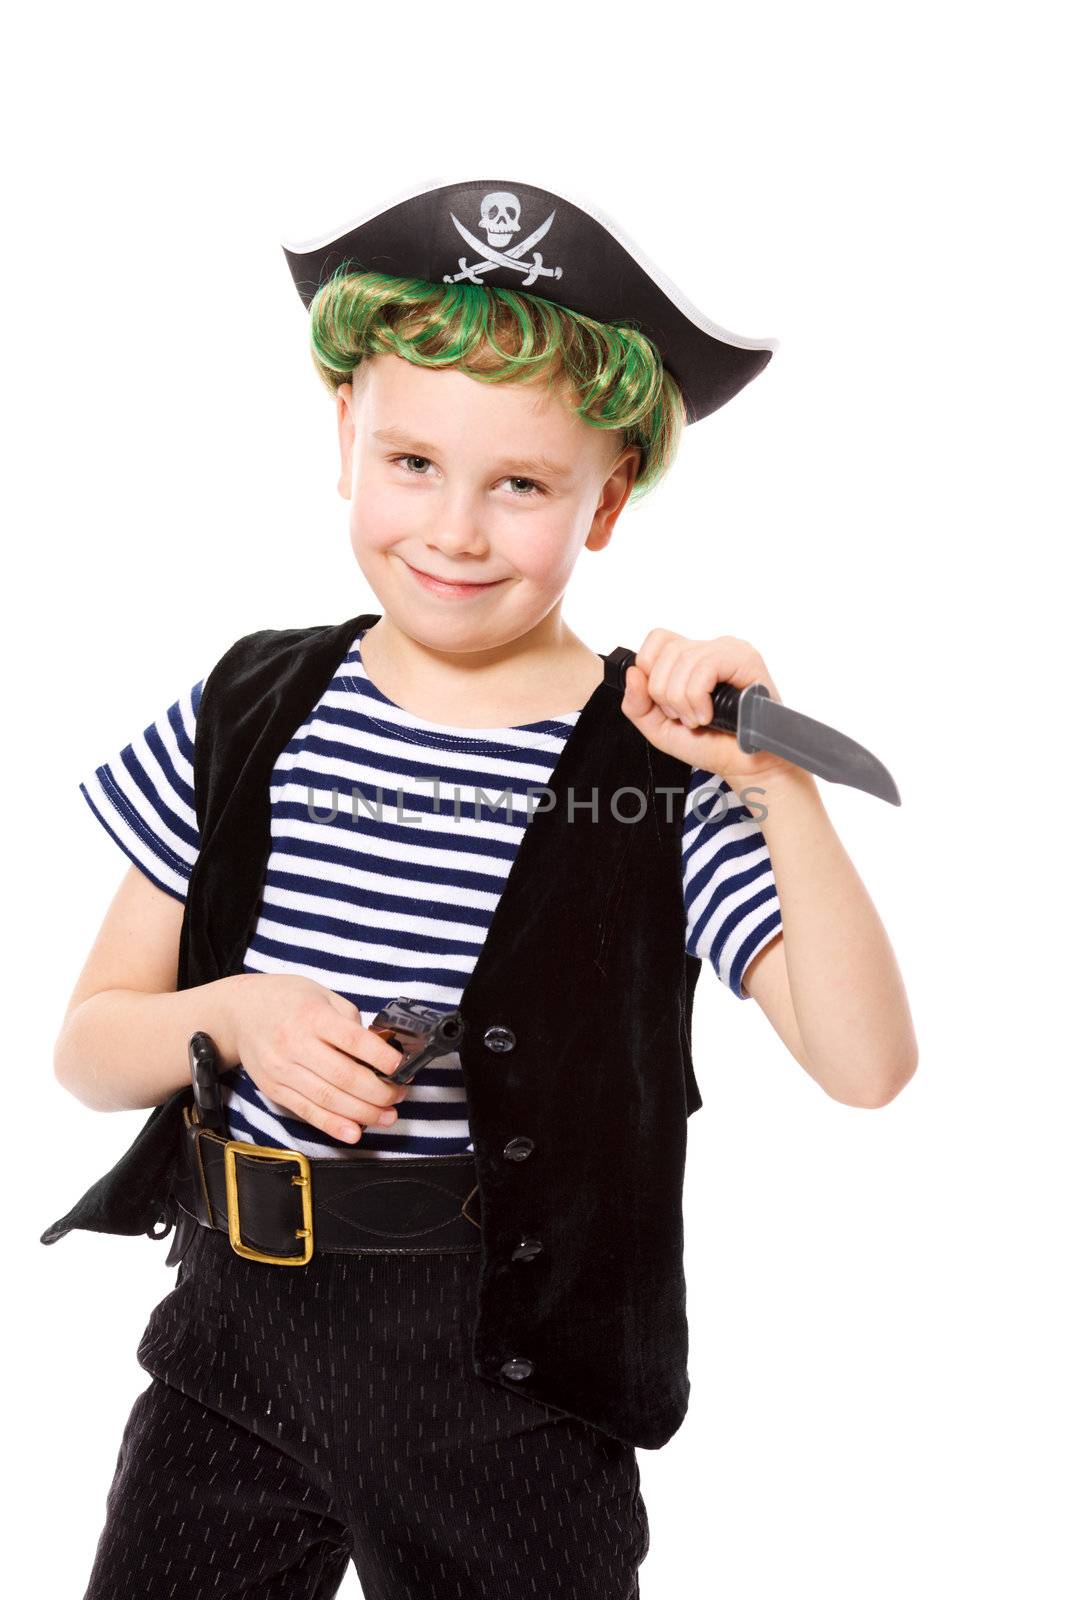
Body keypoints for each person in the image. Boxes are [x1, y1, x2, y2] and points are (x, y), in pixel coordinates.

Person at [48, 176, 918, 1599]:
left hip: (504, 1389)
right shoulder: (247, 707)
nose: (453, 530)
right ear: (344, 440)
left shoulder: (655, 770)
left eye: (521, 484)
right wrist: (244, 1015)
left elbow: (868, 1064)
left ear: (609, 496)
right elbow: (90, 1050)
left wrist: (776, 786)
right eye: (411, 464)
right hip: (226, 1351)